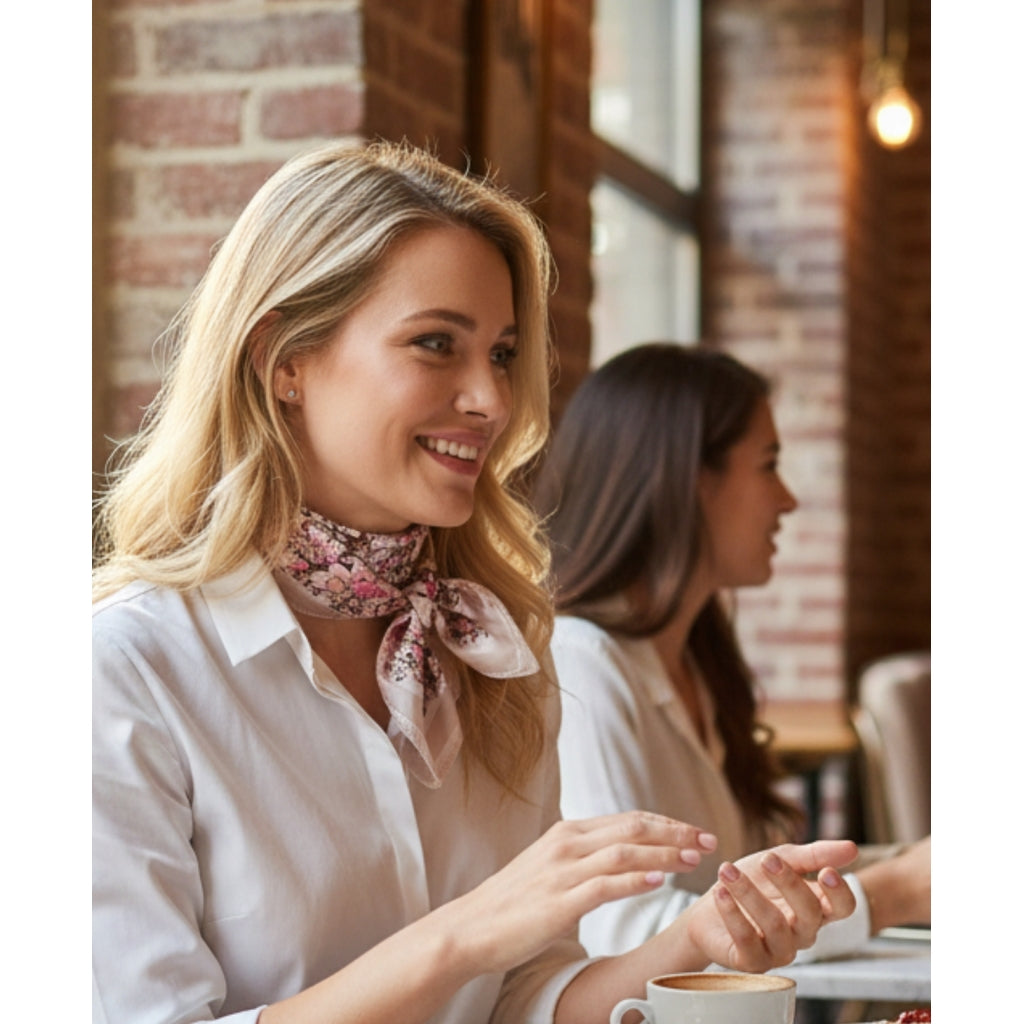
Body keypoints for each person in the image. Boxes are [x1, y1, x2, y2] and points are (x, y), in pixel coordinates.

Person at [92, 141, 860, 1024]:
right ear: (284, 362)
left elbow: (523, 998)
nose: (492, 401)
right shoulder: (124, 671)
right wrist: (460, 938)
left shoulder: (495, 653)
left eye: (499, 354)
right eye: (435, 344)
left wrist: (692, 942)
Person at [533, 341, 931, 961]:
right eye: (768, 464)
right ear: (687, 478)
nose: (788, 499)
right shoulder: (581, 665)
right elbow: (624, 939)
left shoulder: (694, 660)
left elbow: (748, 883)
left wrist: (911, 864)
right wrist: (901, 888)